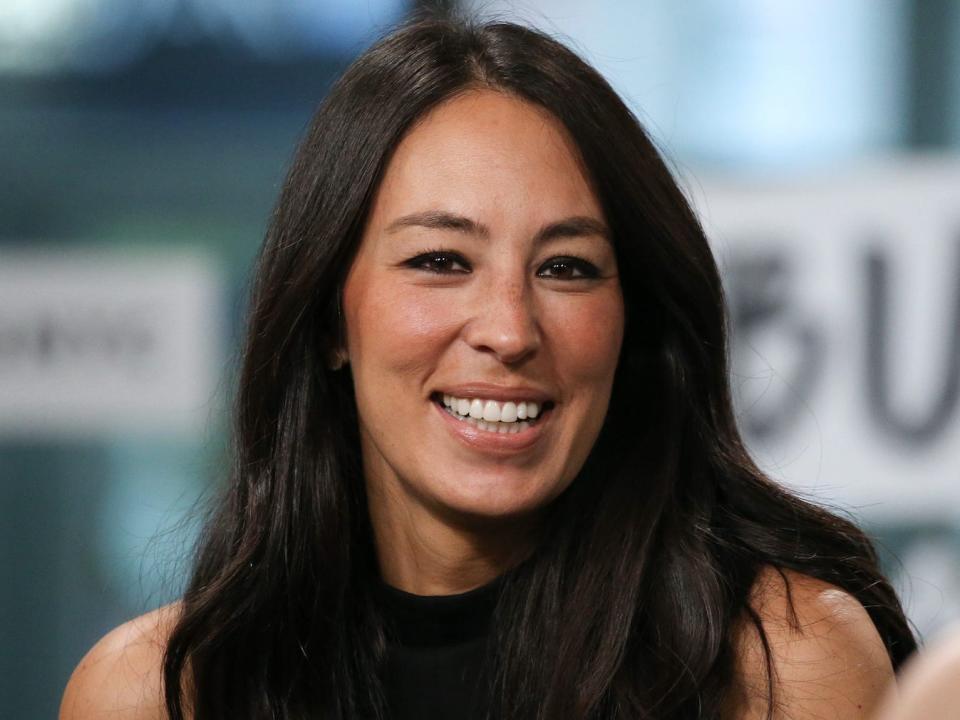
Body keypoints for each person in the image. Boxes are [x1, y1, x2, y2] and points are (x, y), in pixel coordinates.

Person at [61, 13, 917, 720]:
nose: (509, 330)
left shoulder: (780, 665)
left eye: (567, 268)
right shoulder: (159, 694)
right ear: (330, 317)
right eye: (440, 261)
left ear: (634, 321)